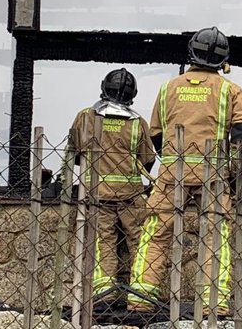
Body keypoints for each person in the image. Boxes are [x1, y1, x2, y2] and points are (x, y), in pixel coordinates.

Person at [128, 27, 242, 315]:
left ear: (191, 52)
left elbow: (156, 135)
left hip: (173, 172)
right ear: (223, 59)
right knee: (215, 236)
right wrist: (236, 174)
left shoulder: (169, 88)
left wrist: (172, 161)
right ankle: (214, 303)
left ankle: (140, 297)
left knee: (156, 233)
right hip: (213, 175)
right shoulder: (229, 90)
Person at [68, 68, 156, 308]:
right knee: (140, 242)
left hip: (96, 194)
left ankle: (104, 294)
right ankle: (141, 297)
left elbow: (74, 154)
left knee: (102, 241)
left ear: (103, 87)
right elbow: (147, 159)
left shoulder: (85, 117)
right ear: (132, 95)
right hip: (131, 195)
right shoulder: (138, 122)